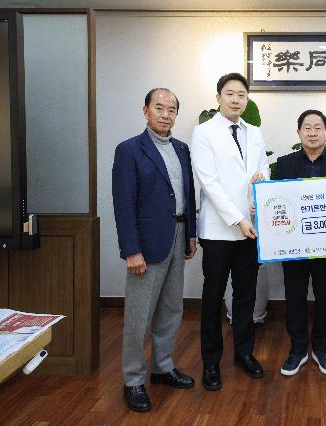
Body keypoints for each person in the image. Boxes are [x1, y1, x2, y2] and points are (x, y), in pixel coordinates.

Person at [112, 88, 197, 412]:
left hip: (178, 235)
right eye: (159, 108)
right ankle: (133, 380)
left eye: (171, 109)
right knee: (139, 316)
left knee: (172, 308)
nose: (165, 114)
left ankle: (162, 367)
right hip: (146, 244)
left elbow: (188, 193)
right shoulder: (130, 150)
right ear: (145, 111)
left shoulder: (182, 149)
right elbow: (123, 204)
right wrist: (131, 250)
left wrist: (190, 235)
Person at [190, 72, 270, 391]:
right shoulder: (203, 132)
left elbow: (263, 169)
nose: (236, 100)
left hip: (251, 228)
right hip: (219, 229)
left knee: (246, 293)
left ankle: (244, 353)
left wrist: (261, 182)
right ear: (218, 98)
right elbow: (208, 183)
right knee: (213, 296)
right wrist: (237, 218)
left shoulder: (255, 132)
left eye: (241, 95)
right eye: (230, 94)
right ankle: (211, 362)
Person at [272, 110, 326, 376]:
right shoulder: (283, 165)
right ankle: (297, 349)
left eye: (318, 127)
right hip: (293, 246)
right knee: (294, 297)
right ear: (298, 132)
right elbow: (276, 203)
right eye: (307, 127)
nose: (313, 132)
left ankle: (321, 348)